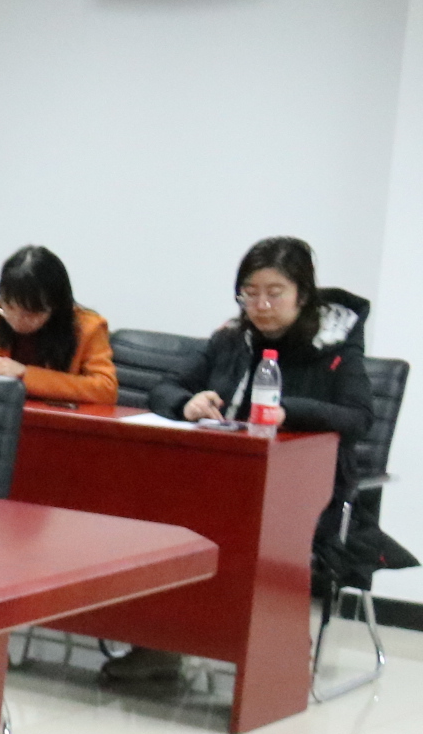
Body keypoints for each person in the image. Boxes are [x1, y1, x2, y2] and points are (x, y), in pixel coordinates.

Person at [109, 237, 381, 685]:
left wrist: (288, 410)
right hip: (224, 480)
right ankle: (160, 643)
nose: (261, 305)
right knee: (156, 517)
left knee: (235, 529)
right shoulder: (232, 338)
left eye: (274, 293)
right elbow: (165, 387)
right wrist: (186, 403)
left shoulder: (335, 349)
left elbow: (359, 417)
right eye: (250, 293)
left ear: (302, 295)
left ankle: (271, 650)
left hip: (307, 494)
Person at [0, 245, 116, 405]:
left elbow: (106, 389)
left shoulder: (88, 328)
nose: (17, 320)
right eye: (9, 307)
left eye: (30, 313)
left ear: (55, 306)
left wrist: (26, 374)